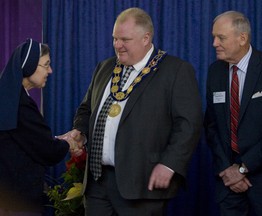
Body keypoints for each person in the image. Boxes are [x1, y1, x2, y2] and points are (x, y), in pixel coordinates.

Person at [60, 7, 203, 216]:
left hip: (142, 184)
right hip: (97, 184)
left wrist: (170, 164)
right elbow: (86, 109)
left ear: (146, 38)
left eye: (125, 39)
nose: (118, 45)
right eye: (115, 39)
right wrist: (79, 132)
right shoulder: (105, 67)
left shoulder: (175, 71)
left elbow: (189, 124)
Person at [204, 11, 262, 216]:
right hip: (227, 183)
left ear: (242, 38)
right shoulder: (215, 71)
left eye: (221, 37)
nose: (214, 43)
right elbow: (211, 126)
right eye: (214, 37)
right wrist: (227, 170)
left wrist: (242, 169)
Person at [0, 38, 77, 215]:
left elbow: (31, 141)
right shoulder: (21, 104)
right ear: (29, 66)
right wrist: (68, 143)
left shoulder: (10, 99)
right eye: (46, 64)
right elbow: (47, 150)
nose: (50, 71)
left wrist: (58, 140)